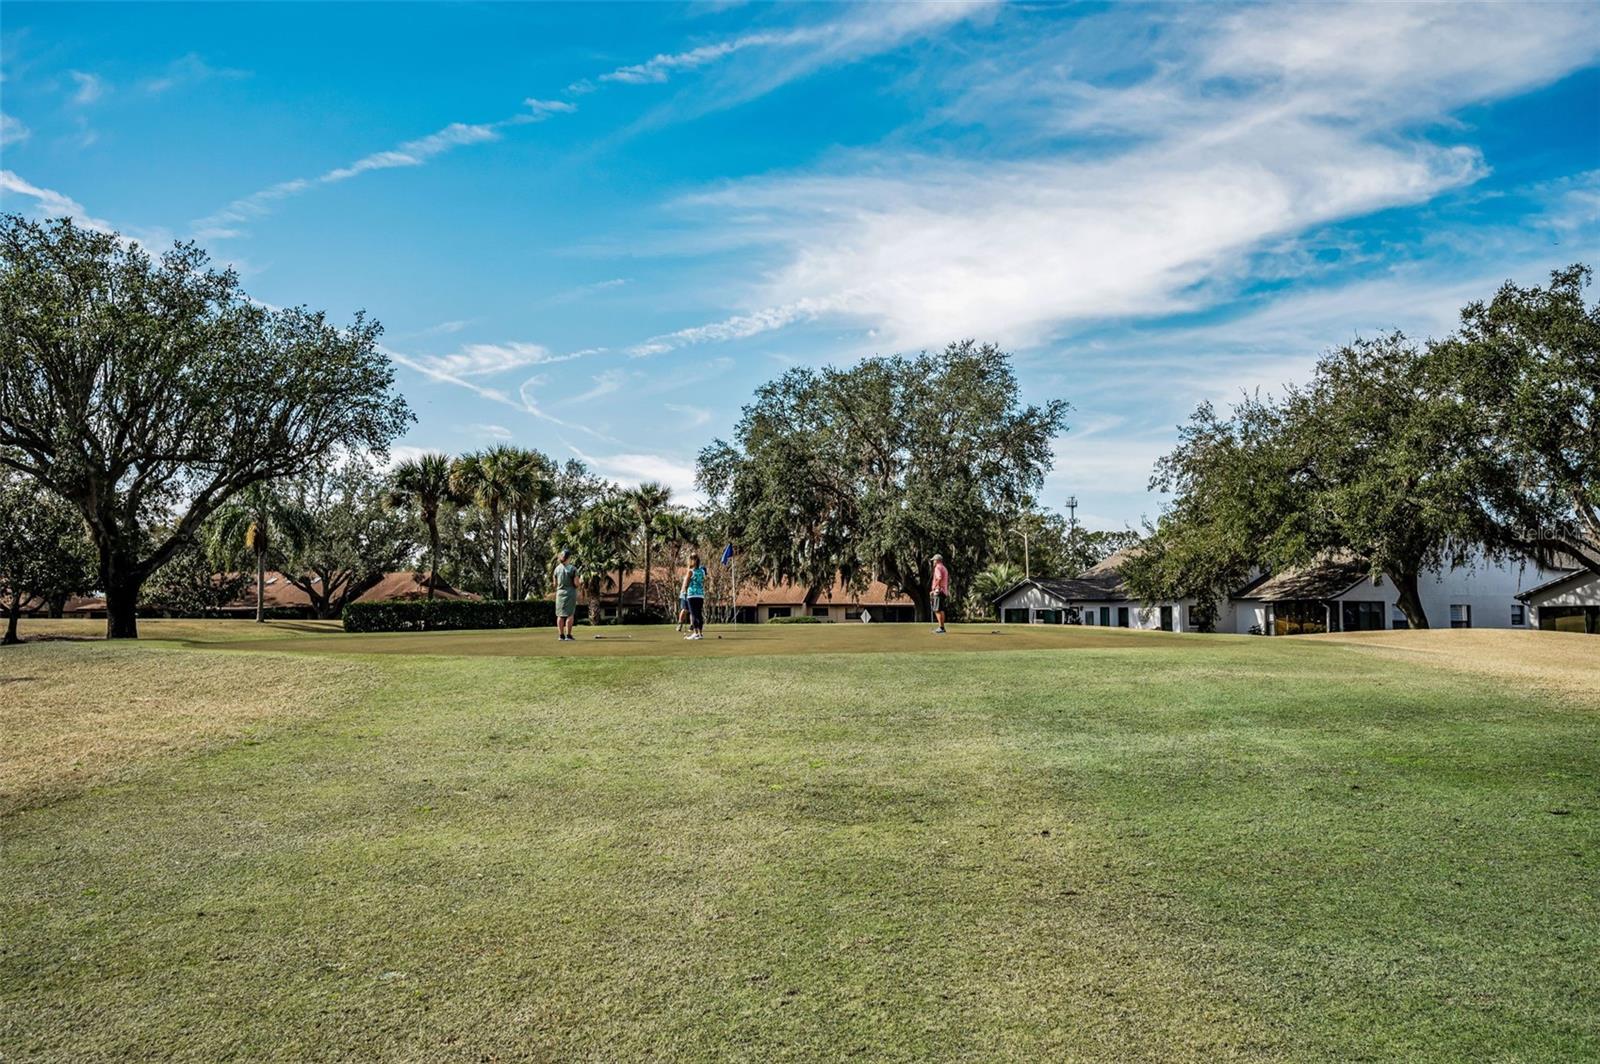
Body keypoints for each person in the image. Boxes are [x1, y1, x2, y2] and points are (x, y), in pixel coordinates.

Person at [553, 548, 579, 642]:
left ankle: (561, 636)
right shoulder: (573, 569)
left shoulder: (556, 569)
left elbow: (554, 584)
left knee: (560, 615)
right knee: (569, 615)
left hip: (559, 593)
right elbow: (576, 584)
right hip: (570, 593)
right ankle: (568, 635)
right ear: (569, 558)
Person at [682, 552, 707, 640]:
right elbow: (704, 581)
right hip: (700, 594)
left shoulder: (690, 572)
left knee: (693, 614)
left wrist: (684, 591)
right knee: (699, 614)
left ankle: (696, 633)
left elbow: (686, 584)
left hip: (692, 594)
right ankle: (700, 633)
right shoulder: (702, 571)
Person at [930, 552, 950, 634]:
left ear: (937, 560)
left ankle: (941, 627)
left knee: (937, 609)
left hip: (939, 590)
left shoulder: (937, 568)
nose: (933, 562)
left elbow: (939, 578)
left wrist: (935, 588)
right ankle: (942, 627)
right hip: (944, 591)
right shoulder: (944, 568)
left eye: (934, 560)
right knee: (941, 609)